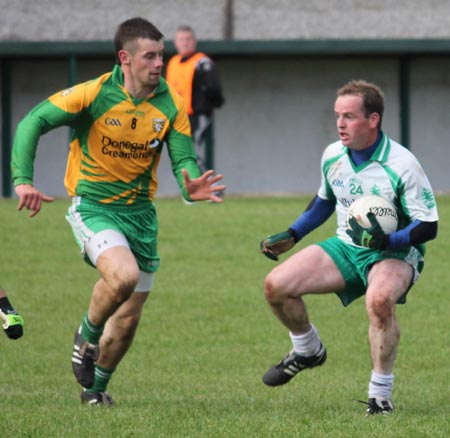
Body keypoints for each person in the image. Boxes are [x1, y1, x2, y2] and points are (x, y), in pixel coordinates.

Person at [11, 17, 225, 406]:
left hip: (141, 215)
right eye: (150, 56)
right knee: (122, 277)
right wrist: (22, 179)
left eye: (161, 55)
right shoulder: (93, 94)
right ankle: (86, 337)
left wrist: (191, 182)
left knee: (127, 321)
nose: (159, 63)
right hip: (93, 206)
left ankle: (95, 390)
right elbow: (33, 121)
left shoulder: (170, 103)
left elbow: (184, 159)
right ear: (125, 58)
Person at [260, 80, 438, 415]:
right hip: (347, 245)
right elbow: (324, 202)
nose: (340, 123)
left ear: (373, 120)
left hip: (395, 253)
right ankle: (307, 349)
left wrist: (392, 240)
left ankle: (380, 395)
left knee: (380, 301)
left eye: (350, 116)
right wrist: (293, 234)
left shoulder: (402, 164)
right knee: (276, 286)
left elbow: (429, 225)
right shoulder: (333, 155)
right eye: (338, 116)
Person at [166, 25, 225, 176]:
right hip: (179, 117)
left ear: (194, 41)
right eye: (181, 40)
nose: (185, 43)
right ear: (175, 43)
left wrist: (210, 105)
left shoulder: (202, 62)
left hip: (198, 116)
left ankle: (211, 189)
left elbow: (214, 88)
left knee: (192, 151)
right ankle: (191, 189)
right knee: (183, 154)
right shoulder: (173, 62)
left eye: (188, 39)